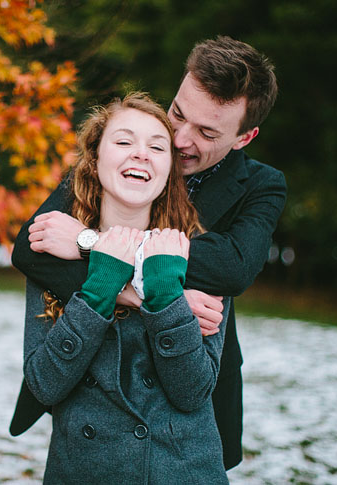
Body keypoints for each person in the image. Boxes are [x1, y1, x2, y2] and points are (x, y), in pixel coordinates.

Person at [10, 36, 287, 471]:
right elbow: (33, 248)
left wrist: (93, 243)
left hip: (187, 396)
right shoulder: (124, 149)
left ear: (244, 137)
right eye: (178, 113)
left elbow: (231, 267)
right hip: (90, 403)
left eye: (207, 132)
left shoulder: (260, 185)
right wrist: (141, 292)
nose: (177, 139)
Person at [22, 91, 230, 483]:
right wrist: (99, 288)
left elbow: (193, 393)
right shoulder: (53, 254)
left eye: (157, 146)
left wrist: (167, 295)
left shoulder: (198, 257)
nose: (141, 154)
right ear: (95, 158)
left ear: (169, 169)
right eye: (123, 141)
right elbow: (44, 386)